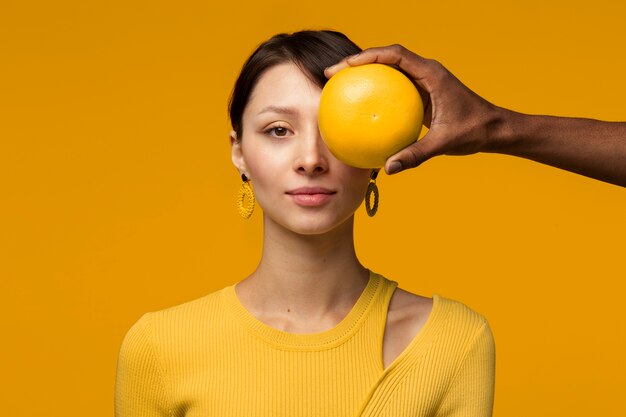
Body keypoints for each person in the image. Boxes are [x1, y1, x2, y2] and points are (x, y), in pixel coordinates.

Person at [115, 31, 495, 417]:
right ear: (239, 152)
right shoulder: (159, 347)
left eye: (335, 128)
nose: (310, 159)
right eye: (279, 130)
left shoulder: (453, 341)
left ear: (379, 148)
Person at [325, 45, 626, 188]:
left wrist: (496, 127)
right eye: (279, 130)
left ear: (373, 169)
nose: (309, 161)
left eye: (324, 126)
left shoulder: (453, 318)